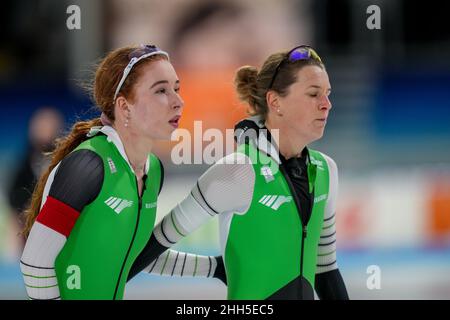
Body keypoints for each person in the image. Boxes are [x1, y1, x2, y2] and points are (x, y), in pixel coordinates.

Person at [128, 45, 349, 300]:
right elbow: (141, 254)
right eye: (313, 94)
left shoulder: (325, 171)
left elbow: (325, 269)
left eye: (327, 94)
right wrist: (211, 268)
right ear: (275, 102)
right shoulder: (239, 170)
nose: (327, 105)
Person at [20, 44, 225, 300]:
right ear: (124, 107)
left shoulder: (153, 171)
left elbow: (130, 254)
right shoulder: (88, 165)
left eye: (176, 88)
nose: (178, 101)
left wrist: (216, 268)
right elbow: (34, 263)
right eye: (161, 90)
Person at [8, 107, 64, 252]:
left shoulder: (65, 159)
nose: (42, 130)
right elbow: (14, 196)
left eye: (47, 126)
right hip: (29, 228)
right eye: (39, 126)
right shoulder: (25, 161)